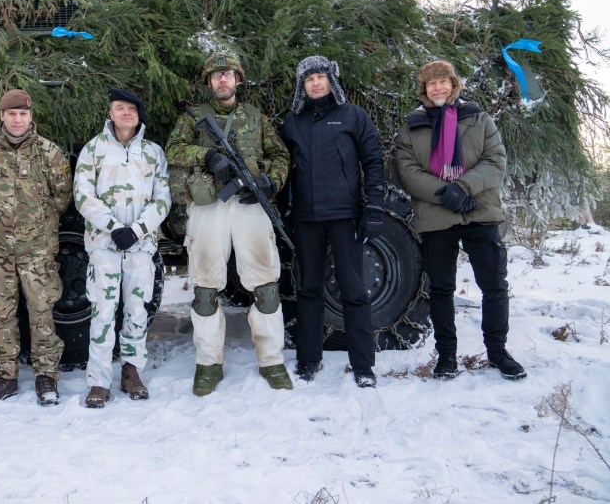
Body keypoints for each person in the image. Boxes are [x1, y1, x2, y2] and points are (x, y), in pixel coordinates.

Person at [165, 51, 292, 396]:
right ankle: (208, 363)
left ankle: (271, 360)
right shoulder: (195, 119)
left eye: (228, 74)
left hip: (250, 206)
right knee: (206, 289)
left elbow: (281, 155)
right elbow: (172, 149)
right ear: (209, 82)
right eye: (216, 75)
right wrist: (205, 155)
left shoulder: (256, 117)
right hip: (209, 207)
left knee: (265, 285)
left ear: (238, 80)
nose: (222, 80)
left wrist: (271, 182)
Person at [395, 60, 526, 381]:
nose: (437, 87)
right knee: (441, 289)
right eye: (431, 84)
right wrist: (445, 193)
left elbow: (496, 160)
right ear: (423, 90)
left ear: (454, 85)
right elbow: (407, 171)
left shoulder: (478, 119)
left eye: (443, 82)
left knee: (494, 285)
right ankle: (447, 356)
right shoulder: (413, 126)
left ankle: (497, 351)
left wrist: (464, 187)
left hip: (479, 210)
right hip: (437, 215)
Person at [281, 56, 385, 388]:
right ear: (302, 85)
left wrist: (374, 207)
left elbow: (373, 161)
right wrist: (281, 213)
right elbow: (283, 171)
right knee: (309, 289)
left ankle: (364, 365)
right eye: (309, 78)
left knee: (354, 290)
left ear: (331, 80)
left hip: (344, 216)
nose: (315, 82)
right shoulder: (292, 122)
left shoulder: (353, 116)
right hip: (306, 218)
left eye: (321, 76)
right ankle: (309, 358)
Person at [0, 89, 73, 406]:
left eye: (23, 114)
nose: (17, 119)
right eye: (11, 114)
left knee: (41, 312)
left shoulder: (49, 154)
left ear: (31, 116)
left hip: (38, 250)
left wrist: (34, 226)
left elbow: (62, 197)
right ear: (2, 116)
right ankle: (5, 376)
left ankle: (46, 377)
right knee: (2, 314)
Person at [74, 88, 171, 408]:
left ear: (139, 115)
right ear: (110, 113)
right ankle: (99, 382)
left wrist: (139, 230)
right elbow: (83, 195)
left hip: (140, 248)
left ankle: (131, 371)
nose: (126, 113)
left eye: (131, 108)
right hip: (104, 244)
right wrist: (115, 228)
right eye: (119, 108)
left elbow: (162, 199)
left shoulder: (153, 152)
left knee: (136, 310)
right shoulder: (94, 149)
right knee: (102, 312)